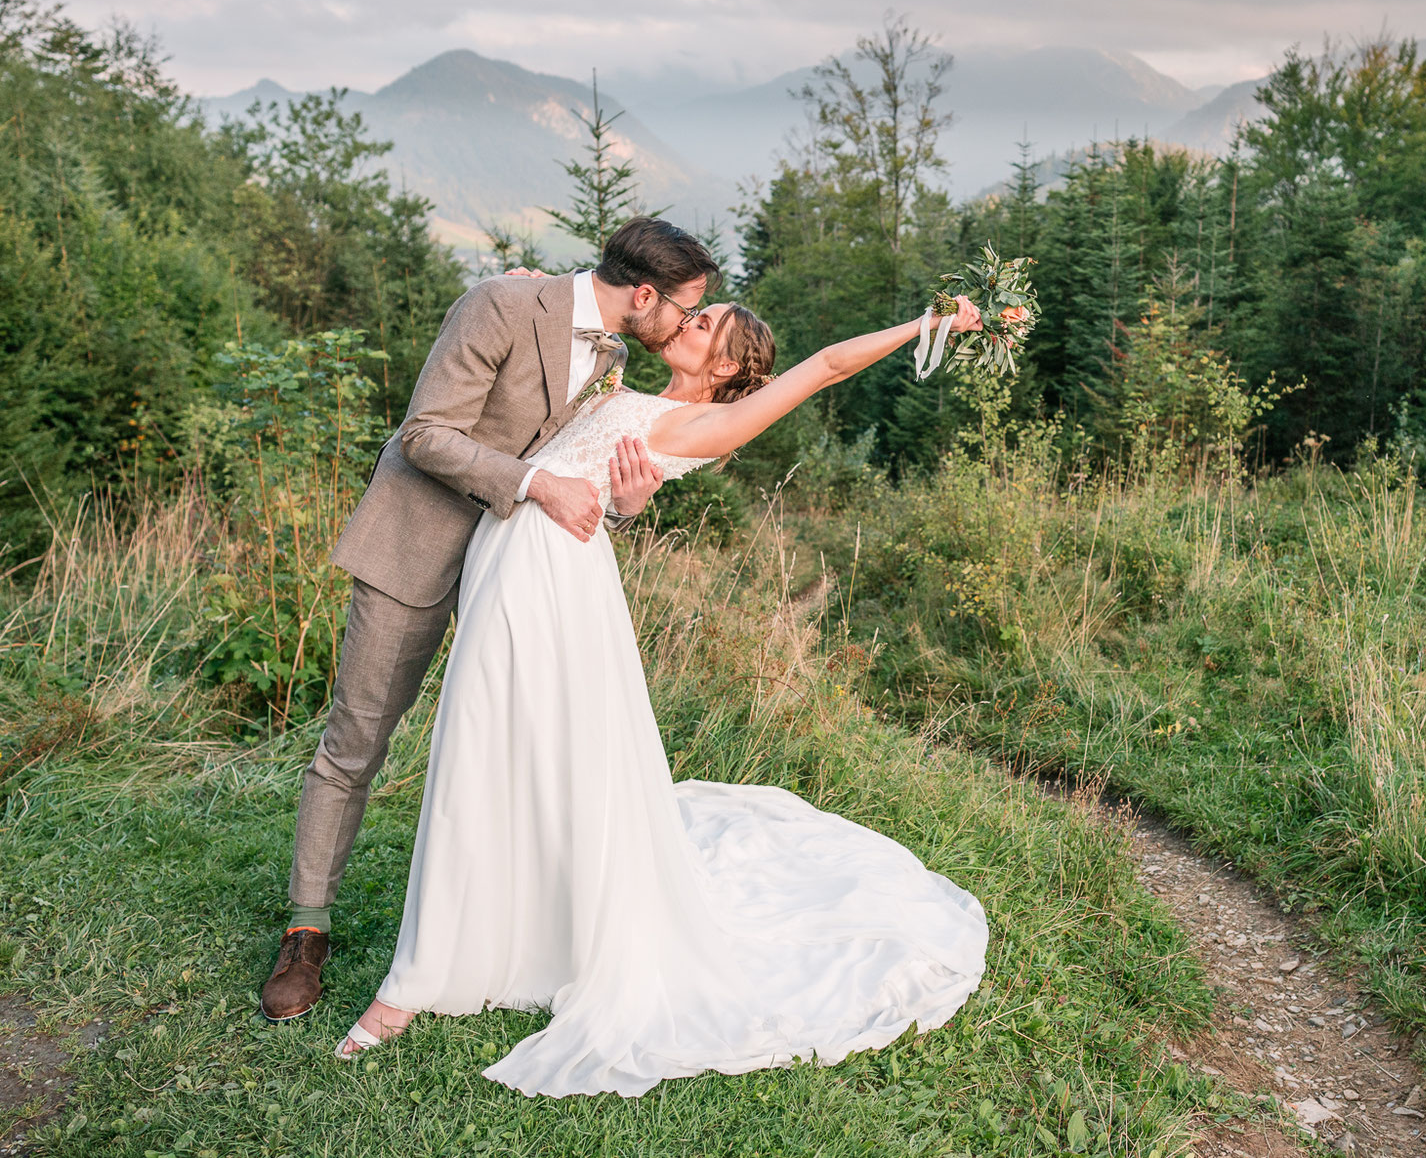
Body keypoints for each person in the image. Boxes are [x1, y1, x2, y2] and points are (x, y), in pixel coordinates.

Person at [331, 290, 992, 1098]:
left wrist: (933, 323)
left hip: (551, 580)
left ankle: (412, 981)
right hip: (510, 555)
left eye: (708, 323)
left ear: (725, 368)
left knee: (487, 743)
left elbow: (824, 367)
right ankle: (501, 928)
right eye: (697, 309)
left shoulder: (709, 425)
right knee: (493, 747)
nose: (693, 320)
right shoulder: (620, 381)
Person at [259, 217, 714, 1024]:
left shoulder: (610, 356)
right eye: (685, 310)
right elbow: (425, 433)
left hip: (515, 576)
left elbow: (583, 484)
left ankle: (507, 930)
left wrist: (625, 507)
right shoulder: (499, 304)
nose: (684, 327)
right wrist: (535, 485)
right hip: (417, 549)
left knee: (515, 756)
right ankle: (306, 928)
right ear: (644, 295)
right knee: (356, 741)